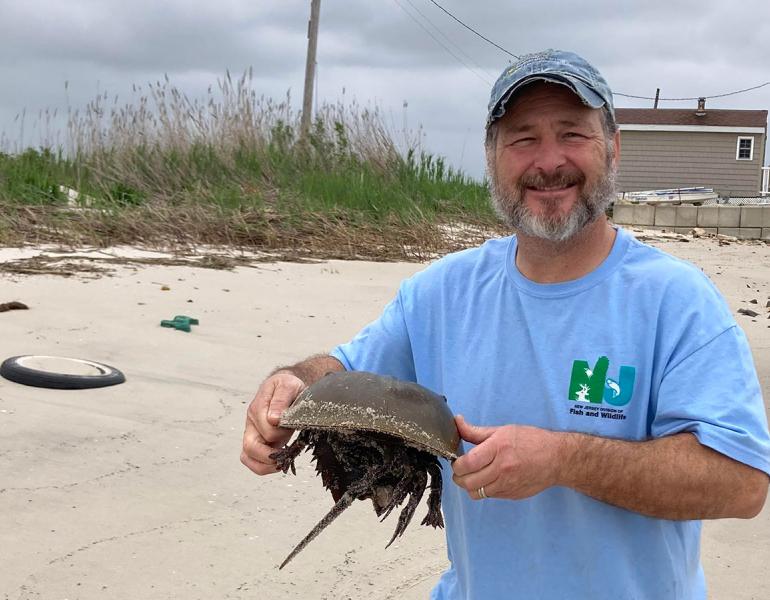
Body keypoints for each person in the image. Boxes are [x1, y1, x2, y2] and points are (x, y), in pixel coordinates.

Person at [241, 49, 770, 599]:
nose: (548, 161)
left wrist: (565, 460)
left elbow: (742, 483)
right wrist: (293, 384)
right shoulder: (442, 293)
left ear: (612, 149)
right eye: (523, 138)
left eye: (573, 134)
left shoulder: (676, 302)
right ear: (492, 158)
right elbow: (344, 371)